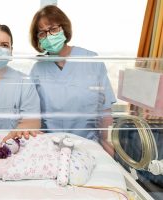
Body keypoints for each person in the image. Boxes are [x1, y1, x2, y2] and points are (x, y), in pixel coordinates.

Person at [29, 5, 116, 156]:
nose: (48, 36)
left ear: (64, 28)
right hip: (50, 147)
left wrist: (105, 141)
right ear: (38, 39)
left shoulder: (91, 61)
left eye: (53, 29)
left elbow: (105, 109)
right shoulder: (38, 70)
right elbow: (32, 114)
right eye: (42, 33)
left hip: (87, 146)